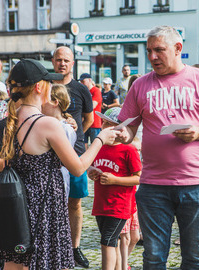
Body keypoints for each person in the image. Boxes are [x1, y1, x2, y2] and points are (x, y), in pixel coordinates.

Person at [0, 58, 117, 270]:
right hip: (45, 207)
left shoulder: (11, 120)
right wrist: (101, 139)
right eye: (49, 83)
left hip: (16, 205)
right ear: (38, 87)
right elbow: (77, 167)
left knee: (14, 264)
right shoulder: (47, 124)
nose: (53, 87)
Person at [118, 25, 199, 269]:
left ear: (178, 48)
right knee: (153, 257)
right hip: (152, 185)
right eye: (149, 51)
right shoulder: (140, 85)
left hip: (195, 183)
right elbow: (128, 126)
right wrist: (122, 134)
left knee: (194, 257)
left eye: (159, 50)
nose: (152, 57)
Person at [52, 46, 94, 268]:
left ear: (72, 63)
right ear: (53, 61)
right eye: (59, 59)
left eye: (66, 60)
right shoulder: (45, 86)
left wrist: (77, 135)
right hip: (48, 154)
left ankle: (75, 247)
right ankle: (55, 245)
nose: (62, 63)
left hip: (76, 152)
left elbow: (89, 118)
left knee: (75, 203)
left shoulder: (80, 89)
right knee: (52, 200)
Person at [88, 107, 142, 270]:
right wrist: (92, 173)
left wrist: (115, 179)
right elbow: (92, 166)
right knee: (112, 240)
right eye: (104, 122)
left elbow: (139, 178)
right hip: (101, 203)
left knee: (107, 241)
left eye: (108, 123)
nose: (103, 125)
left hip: (119, 204)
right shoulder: (99, 146)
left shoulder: (129, 149)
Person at [42, 84, 76, 197]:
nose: (40, 103)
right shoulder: (44, 123)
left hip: (57, 178)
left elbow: (65, 158)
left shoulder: (65, 128)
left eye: (44, 99)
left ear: (55, 102)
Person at [79, 73, 102, 147]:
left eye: (83, 81)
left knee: (95, 146)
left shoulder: (96, 90)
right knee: (83, 144)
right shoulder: (82, 91)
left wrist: (81, 107)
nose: (81, 83)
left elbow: (92, 106)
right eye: (80, 82)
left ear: (89, 80)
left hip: (95, 123)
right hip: (84, 122)